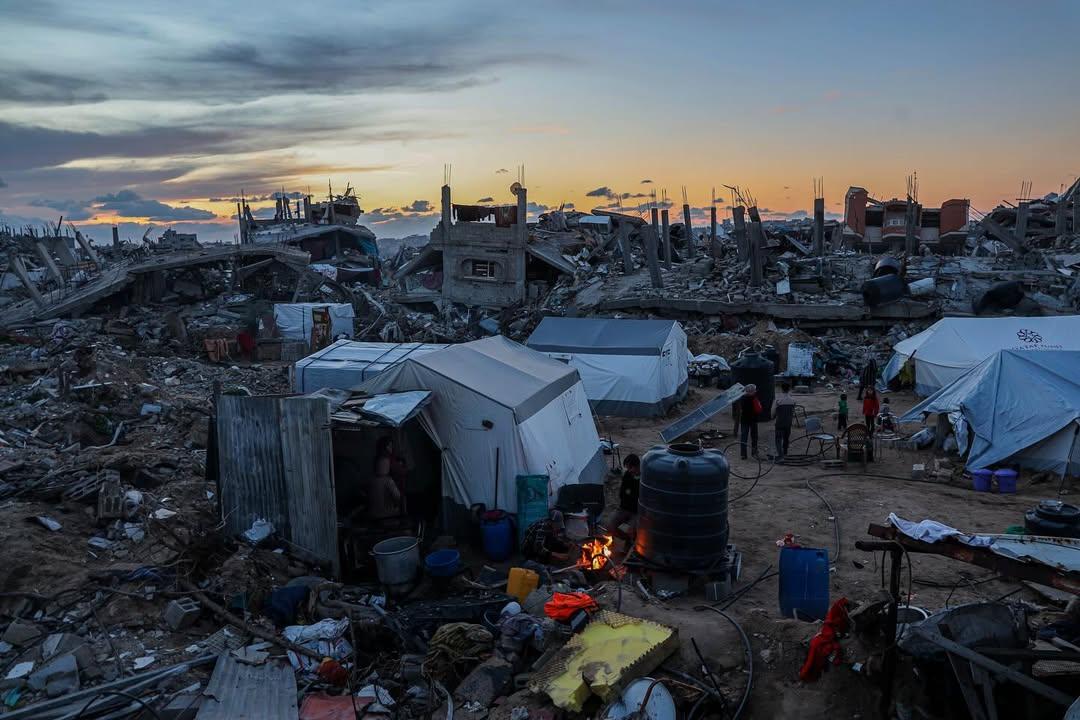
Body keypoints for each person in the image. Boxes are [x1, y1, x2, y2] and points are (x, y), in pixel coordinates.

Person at [369, 436, 405, 519]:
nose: (391, 448)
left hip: (373, 514)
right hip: (388, 514)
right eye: (389, 446)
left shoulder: (371, 480)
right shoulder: (388, 480)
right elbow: (398, 497)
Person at [612, 455, 641, 537]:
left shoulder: (644, 479)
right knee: (610, 526)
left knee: (631, 530)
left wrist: (629, 493)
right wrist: (630, 495)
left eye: (630, 468)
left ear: (637, 466)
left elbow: (641, 499)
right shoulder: (627, 475)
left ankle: (629, 545)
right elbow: (622, 494)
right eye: (627, 468)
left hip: (637, 512)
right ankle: (622, 541)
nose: (629, 470)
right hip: (624, 508)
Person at [773, 382, 795, 460]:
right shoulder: (792, 400)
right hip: (788, 422)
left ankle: (780, 455)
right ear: (789, 389)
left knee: (778, 439)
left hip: (780, 422)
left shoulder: (778, 400)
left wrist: (773, 416)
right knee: (786, 438)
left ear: (781, 389)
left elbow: (773, 412)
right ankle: (785, 452)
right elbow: (793, 411)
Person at [739, 384, 761, 459]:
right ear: (752, 391)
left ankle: (743, 454)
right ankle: (754, 453)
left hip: (744, 420)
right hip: (753, 420)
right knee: (754, 437)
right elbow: (759, 409)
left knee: (743, 437)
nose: (755, 391)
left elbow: (741, 409)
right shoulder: (754, 398)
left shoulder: (742, 398)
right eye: (754, 390)